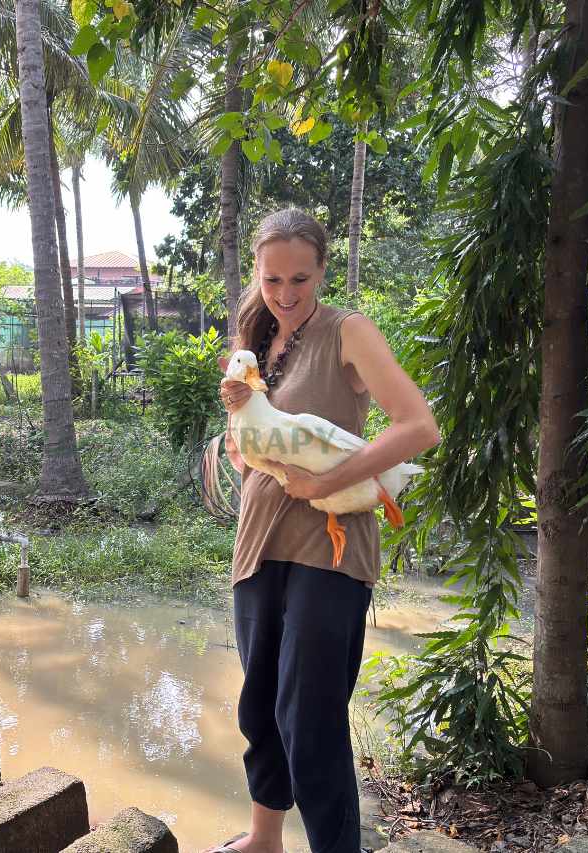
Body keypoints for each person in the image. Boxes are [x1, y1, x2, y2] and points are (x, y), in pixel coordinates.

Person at [208, 207, 440, 853]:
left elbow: (418, 426)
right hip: (260, 540)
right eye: (273, 278)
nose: (285, 295)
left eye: (300, 280)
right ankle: (264, 837)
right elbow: (253, 438)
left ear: (322, 271)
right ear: (257, 273)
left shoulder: (349, 331)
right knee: (260, 704)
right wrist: (241, 440)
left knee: (309, 717)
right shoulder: (257, 343)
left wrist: (327, 483)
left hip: (330, 545)